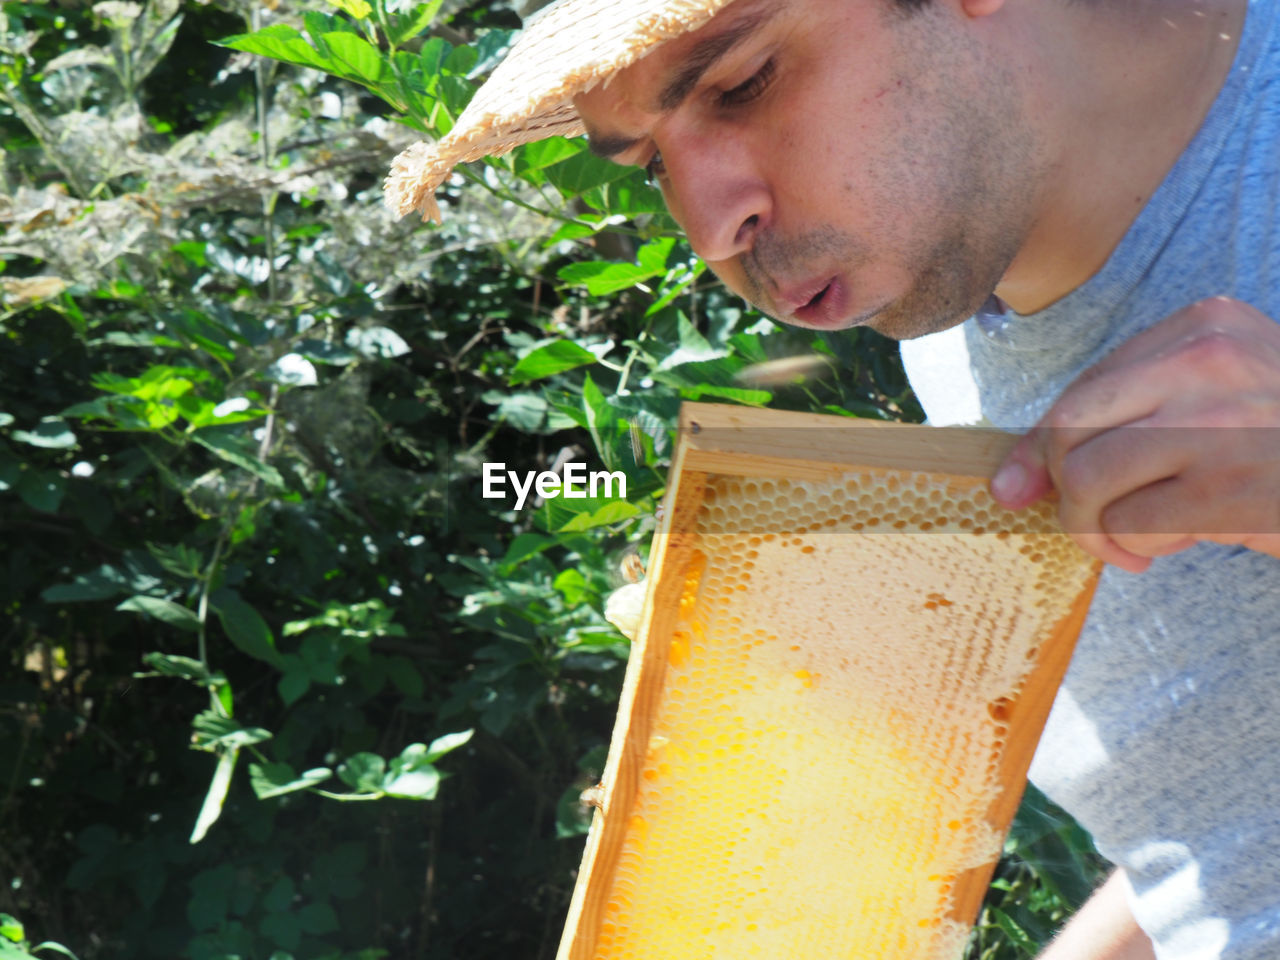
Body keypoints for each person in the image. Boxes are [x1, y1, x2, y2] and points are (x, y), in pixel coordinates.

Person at [385, 0, 1280, 957]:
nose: (710, 226)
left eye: (744, 83)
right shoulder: (942, 335)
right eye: (652, 163)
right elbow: (1221, 839)